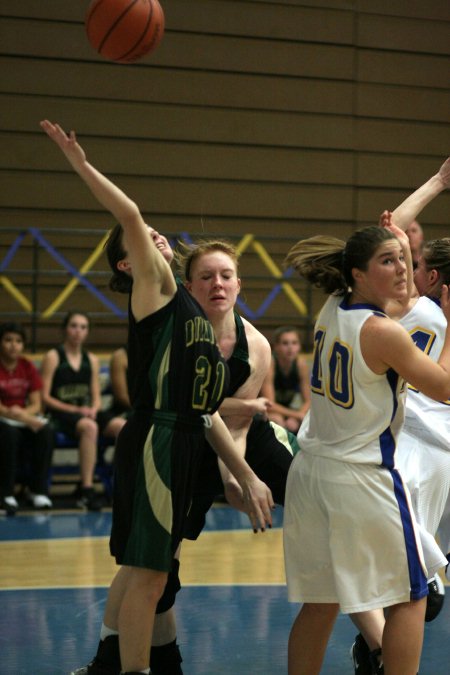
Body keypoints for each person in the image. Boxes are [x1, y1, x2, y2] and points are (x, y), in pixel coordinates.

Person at [41, 119, 273, 675]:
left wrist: (243, 471)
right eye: (143, 242)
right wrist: (80, 164)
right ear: (129, 263)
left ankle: (111, 665)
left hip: (182, 435)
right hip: (156, 440)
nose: (154, 238)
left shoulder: (189, 307)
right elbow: (130, 216)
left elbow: (204, 410)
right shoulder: (154, 291)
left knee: (149, 568)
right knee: (150, 574)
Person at [69, 240, 299, 675]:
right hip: (182, 442)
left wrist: (240, 475)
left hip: (236, 442)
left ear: (239, 284)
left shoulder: (258, 345)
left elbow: (238, 423)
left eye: (226, 276)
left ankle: (366, 617)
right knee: (154, 565)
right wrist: (238, 431)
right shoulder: (179, 327)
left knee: (310, 485)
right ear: (189, 287)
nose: (218, 284)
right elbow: (204, 411)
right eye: (207, 277)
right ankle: (114, 660)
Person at [282, 223, 450, 675]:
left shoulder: (334, 306)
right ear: (357, 273)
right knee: (412, 599)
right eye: (388, 261)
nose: (402, 270)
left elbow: (393, 276)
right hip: (360, 477)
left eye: (403, 259)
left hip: (311, 470)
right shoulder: (384, 332)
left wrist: (395, 235)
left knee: (321, 604)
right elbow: (445, 389)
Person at [349, 157, 450, 674]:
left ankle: (379, 646)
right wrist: (435, 182)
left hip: (429, 447)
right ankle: (380, 648)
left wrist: (435, 183)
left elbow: (390, 231)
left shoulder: (409, 311)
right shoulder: (405, 311)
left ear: (431, 276)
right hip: (406, 440)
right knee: (400, 576)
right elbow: (390, 230)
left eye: (411, 260)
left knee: (399, 577)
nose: (403, 265)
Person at [40, 311, 127, 511]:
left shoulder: (92, 359)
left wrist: (94, 408)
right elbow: (45, 397)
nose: (78, 331)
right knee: (89, 428)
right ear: (64, 329)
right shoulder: (53, 357)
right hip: (60, 413)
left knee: (123, 427)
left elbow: (96, 394)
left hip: (86, 411)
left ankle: (119, 485)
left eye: (83, 327)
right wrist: (75, 408)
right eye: (74, 326)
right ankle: (87, 490)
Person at [0, 322, 54, 514]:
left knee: (45, 432)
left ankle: (37, 490)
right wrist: (13, 413)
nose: (13, 345)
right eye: (8, 340)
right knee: (8, 434)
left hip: (20, 417)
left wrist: (23, 415)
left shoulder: (27, 366)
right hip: (3, 420)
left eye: (18, 341)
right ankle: (5, 493)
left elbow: (37, 404)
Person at [260, 325, 311, 432]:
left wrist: (298, 416)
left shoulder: (301, 365)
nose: (290, 348)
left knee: (303, 421)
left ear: (299, 346)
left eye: (294, 343)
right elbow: (269, 404)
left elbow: (308, 401)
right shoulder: (270, 364)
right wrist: (297, 415)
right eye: (285, 343)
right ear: (276, 347)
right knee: (277, 421)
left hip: (286, 409)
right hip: (262, 409)